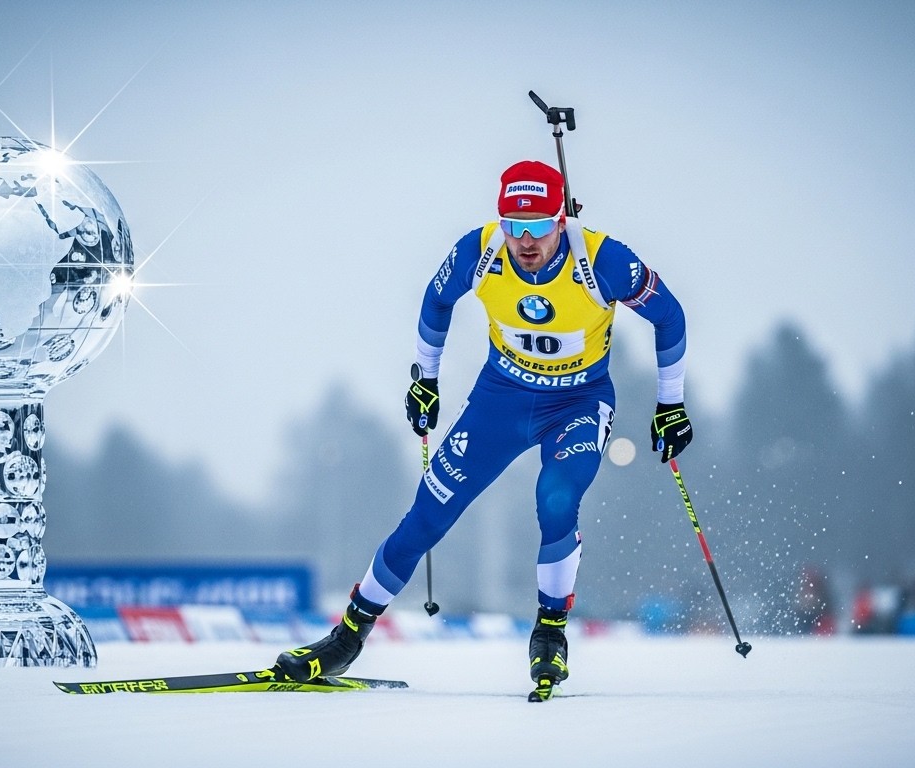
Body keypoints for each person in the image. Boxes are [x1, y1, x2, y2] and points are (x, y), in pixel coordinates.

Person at [275, 160, 690, 689]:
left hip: (578, 404)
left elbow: (669, 315)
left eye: (539, 226)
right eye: (514, 227)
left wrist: (670, 403)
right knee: (428, 514)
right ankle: (347, 639)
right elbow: (436, 299)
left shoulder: (601, 259)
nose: (525, 241)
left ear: (561, 221)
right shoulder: (482, 249)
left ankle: (549, 635)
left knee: (556, 498)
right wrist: (425, 379)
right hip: (502, 400)